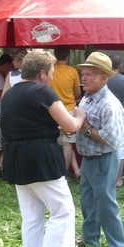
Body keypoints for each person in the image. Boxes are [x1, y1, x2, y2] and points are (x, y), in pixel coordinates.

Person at [1, 50, 86, 247]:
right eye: (51, 72)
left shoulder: (10, 93)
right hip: (40, 157)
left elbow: (27, 121)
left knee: (32, 218)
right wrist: (79, 117)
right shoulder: (43, 91)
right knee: (63, 211)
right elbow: (70, 126)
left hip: (15, 157)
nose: (51, 76)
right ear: (41, 73)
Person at [75, 52, 124, 247]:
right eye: (83, 73)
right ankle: (90, 239)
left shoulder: (109, 104)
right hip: (89, 159)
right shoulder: (88, 97)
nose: (84, 78)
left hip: (103, 159)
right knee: (88, 202)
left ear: (103, 77)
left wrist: (85, 127)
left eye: (89, 74)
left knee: (106, 206)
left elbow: (110, 139)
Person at [49, 45, 81, 181]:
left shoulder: (50, 69)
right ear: (68, 56)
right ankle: (64, 174)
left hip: (53, 110)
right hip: (69, 110)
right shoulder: (72, 71)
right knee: (67, 144)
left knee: (54, 143)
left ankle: (55, 171)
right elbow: (78, 92)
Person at [106, 55, 124, 188]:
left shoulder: (103, 78)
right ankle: (117, 180)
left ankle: (106, 177)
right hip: (120, 116)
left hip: (104, 115)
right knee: (121, 149)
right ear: (121, 66)